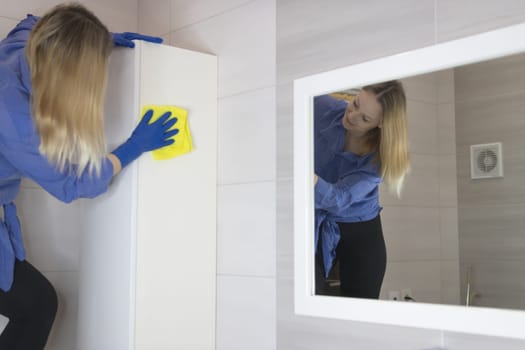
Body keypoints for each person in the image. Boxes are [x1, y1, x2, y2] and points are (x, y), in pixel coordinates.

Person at [0, 4, 177, 349]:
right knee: (36, 305)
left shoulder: (22, 45)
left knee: (36, 304)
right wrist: (131, 148)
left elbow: (34, 22)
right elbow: (73, 183)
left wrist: (98, 41)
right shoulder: (14, 117)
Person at [314, 81, 410, 299]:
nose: (352, 115)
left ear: (382, 123)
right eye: (355, 104)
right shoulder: (323, 108)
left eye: (365, 118)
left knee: (361, 308)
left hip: (360, 233)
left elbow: (338, 198)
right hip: (316, 222)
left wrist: (305, 177)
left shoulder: (381, 159)